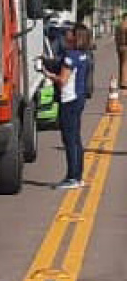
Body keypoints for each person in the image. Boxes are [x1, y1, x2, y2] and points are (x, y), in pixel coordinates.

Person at [44, 24, 92, 189]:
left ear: (75, 37)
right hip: (79, 99)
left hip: (69, 101)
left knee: (69, 140)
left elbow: (62, 80)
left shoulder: (70, 56)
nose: (66, 34)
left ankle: (72, 177)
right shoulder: (83, 55)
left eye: (69, 32)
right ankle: (78, 176)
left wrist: (48, 74)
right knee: (76, 139)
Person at [116, 13, 127, 90]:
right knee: (125, 64)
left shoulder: (119, 25)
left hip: (120, 46)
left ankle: (121, 81)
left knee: (121, 64)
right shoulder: (126, 25)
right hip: (126, 46)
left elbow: (116, 37)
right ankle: (124, 82)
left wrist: (117, 45)